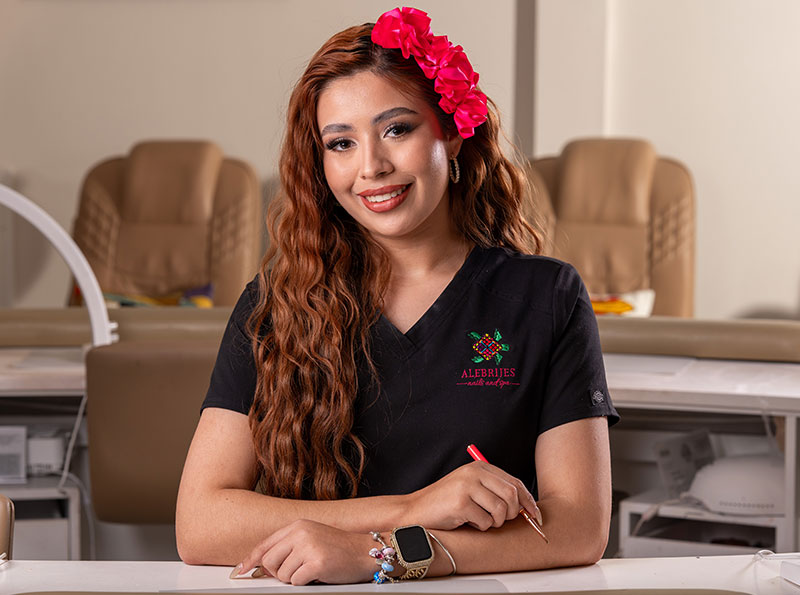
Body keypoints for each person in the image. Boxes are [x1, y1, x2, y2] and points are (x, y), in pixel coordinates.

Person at [176, 6, 619, 586]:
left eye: (397, 129)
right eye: (340, 143)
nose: (372, 167)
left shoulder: (546, 296)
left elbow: (578, 526)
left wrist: (380, 554)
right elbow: (200, 523)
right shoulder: (274, 305)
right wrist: (412, 510)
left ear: (452, 133)